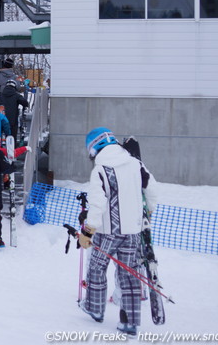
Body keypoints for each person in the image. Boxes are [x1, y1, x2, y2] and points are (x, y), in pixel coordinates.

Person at [78, 127, 157, 337]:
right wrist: (147, 212)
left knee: (96, 267)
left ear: (94, 148)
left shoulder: (101, 170)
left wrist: (88, 231)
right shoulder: (136, 164)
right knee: (129, 274)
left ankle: (95, 308)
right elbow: (152, 190)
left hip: (107, 232)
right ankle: (129, 323)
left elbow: (97, 203)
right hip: (133, 232)